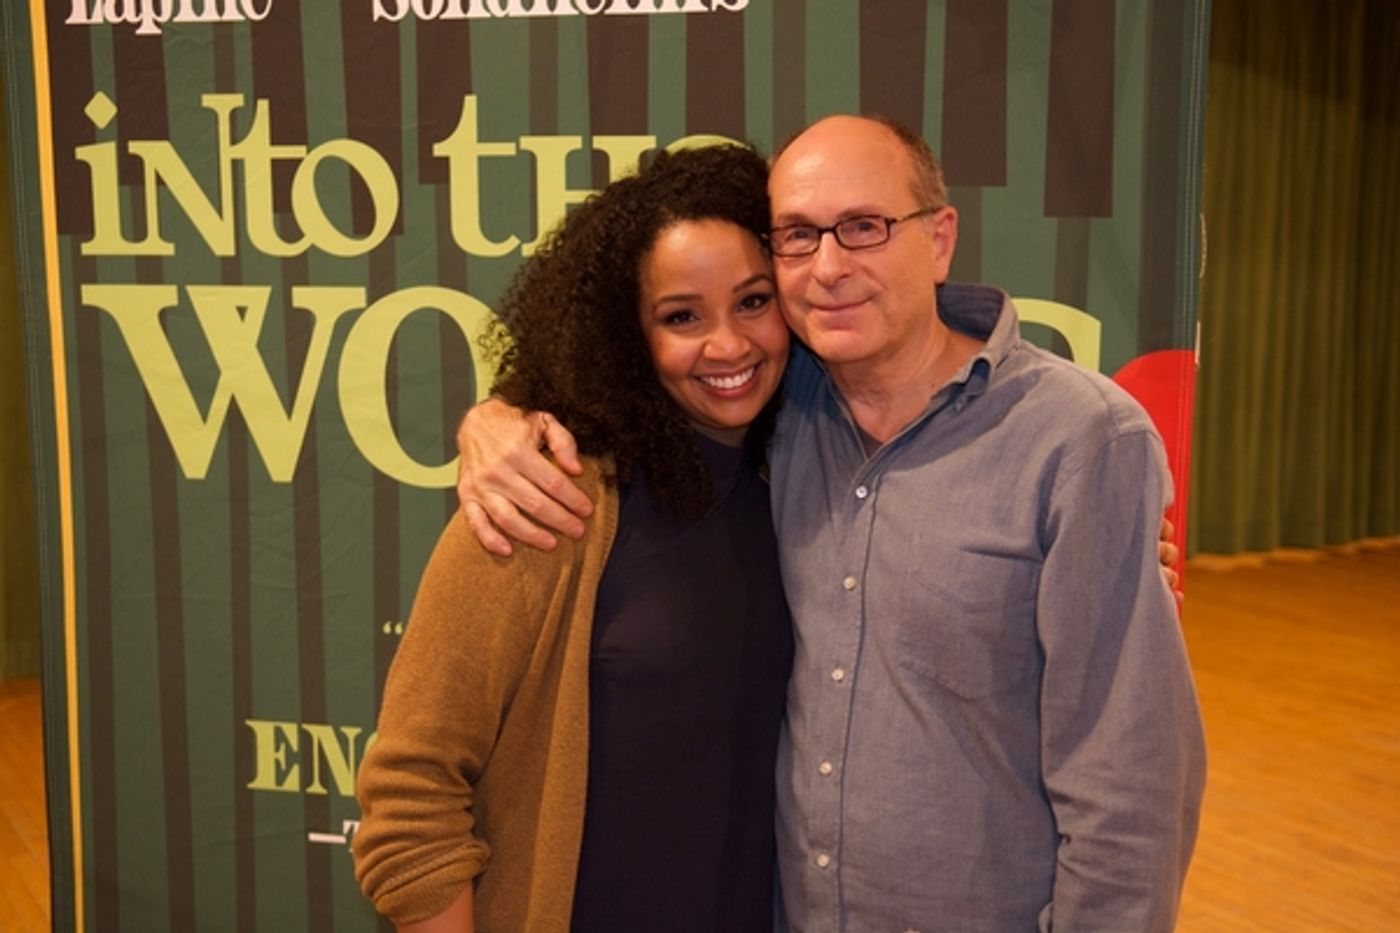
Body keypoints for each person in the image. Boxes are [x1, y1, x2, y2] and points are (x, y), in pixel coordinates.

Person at [454, 115, 1207, 930]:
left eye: (865, 228)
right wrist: (498, 416)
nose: (829, 267)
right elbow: (622, 381)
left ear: (941, 237)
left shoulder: (1081, 439)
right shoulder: (778, 410)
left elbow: (1130, 791)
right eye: (798, 237)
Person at [352, 144, 795, 933]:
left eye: (755, 300)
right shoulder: (545, 500)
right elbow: (412, 797)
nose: (728, 345)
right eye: (681, 316)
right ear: (627, 335)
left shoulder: (806, 483)